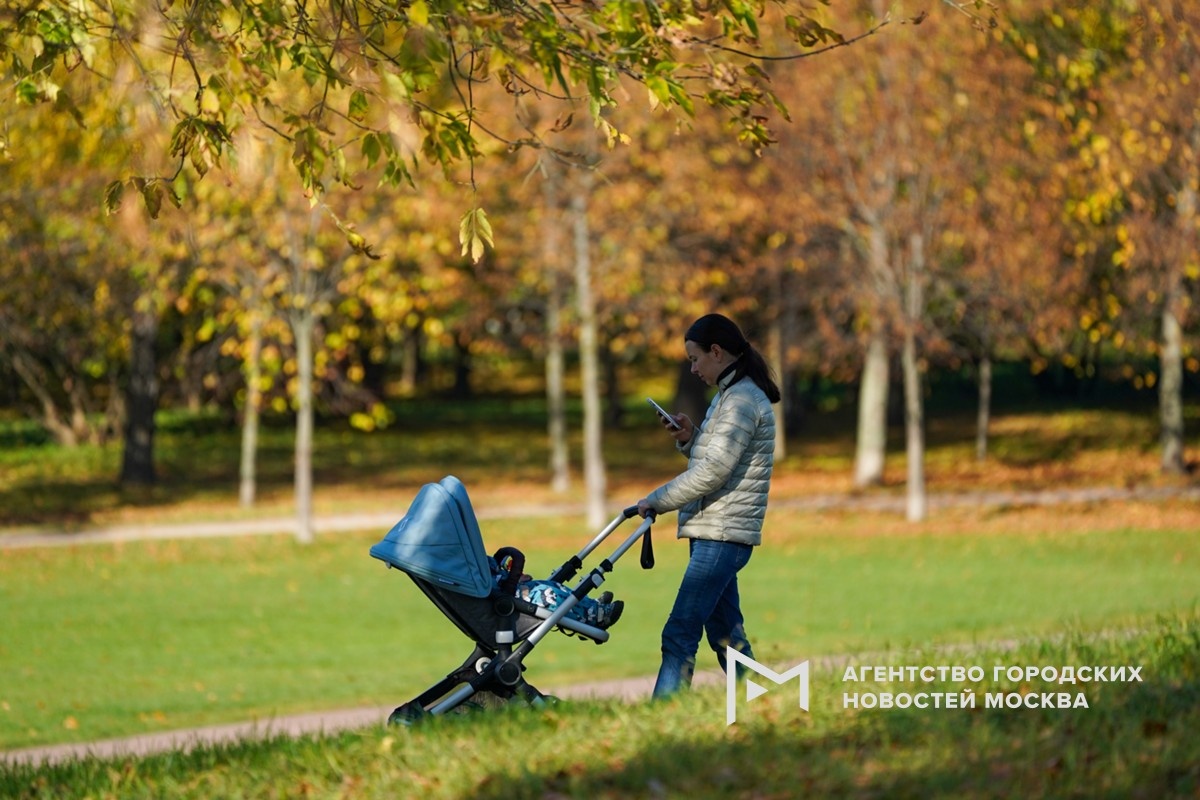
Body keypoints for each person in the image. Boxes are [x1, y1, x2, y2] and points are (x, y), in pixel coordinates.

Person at [636, 313, 780, 698]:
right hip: (717, 531)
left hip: (721, 535)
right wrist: (690, 437)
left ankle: (665, 718)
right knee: (725, 636)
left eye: (695, 358)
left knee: (680, 631)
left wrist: (656, 500)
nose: (693, 368)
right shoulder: (729, 397)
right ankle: (763, 701)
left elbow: (714, 472)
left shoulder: (741, 401)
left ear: (716, 352)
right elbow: (718, 460)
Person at [490, 554, 624, 630]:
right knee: (548, 595)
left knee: (552, 585)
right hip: (506, 599)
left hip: (509, 589)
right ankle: (596, 616)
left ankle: (590, 605)